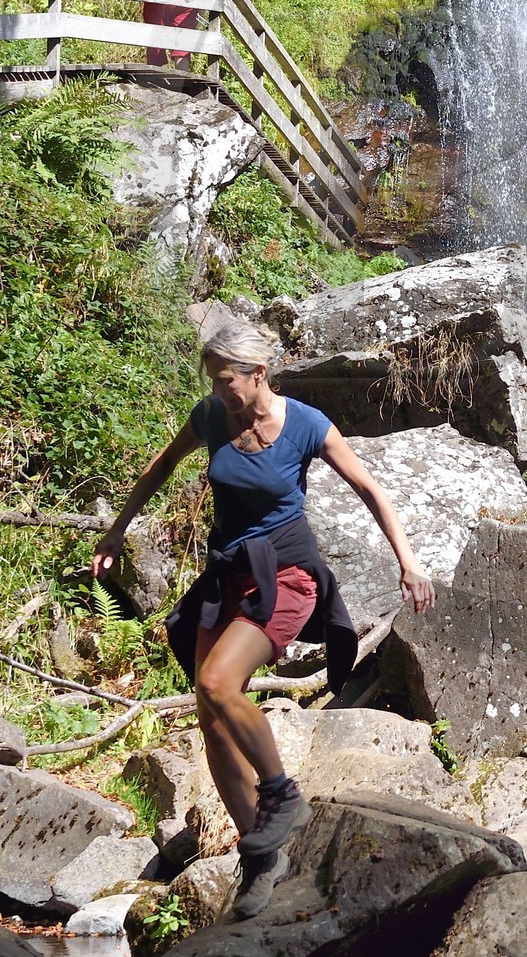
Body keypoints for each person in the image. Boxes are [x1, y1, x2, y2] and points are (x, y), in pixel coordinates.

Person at [91, 307, 435, 917]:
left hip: (289, 574)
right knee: (212, 714)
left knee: (217, 682)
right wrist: (116, 532)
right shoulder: (211, 418)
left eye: (227, 378)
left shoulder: (305, 424)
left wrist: (408, 563)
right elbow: (162, 466)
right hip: (228, 574)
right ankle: (261, 856)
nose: (218, 389)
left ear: (258, 373)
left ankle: (282, 793)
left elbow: (371, 490)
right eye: (212, 378)